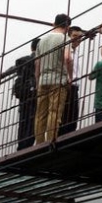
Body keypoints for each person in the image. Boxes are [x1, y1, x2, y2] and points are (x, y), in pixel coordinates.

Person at [34, 14, 73, 145]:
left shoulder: (41, 41)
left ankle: (39, 143)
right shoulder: (65, 38)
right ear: (67, 27)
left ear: (54, 24)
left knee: (40, 115)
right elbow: (67, 58)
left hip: (43, 80)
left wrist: (37, 80)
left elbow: (37, 64)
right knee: (54, 112)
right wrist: (70, 76)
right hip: (58, 80)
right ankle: (51, 140)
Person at [11, 38, 40, 150]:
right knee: (32, 119)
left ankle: (21, 145)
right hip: (33, 93)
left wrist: (2, 75)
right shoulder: (39, 59)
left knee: (23, 120)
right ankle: (28, 144)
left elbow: (13, 69)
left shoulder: (22, 60)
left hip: (23, 94)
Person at [59, 25, 85, 135]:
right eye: (74, 36)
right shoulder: (66, 49)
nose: (77, 39)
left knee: (73, 118)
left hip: (74, 87)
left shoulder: (76, 51)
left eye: (79, 37)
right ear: (69, 36)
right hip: (67, 85)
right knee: (65, 118)